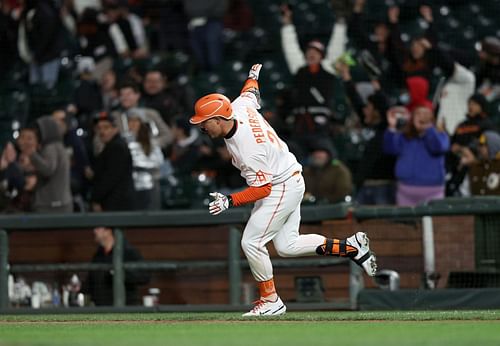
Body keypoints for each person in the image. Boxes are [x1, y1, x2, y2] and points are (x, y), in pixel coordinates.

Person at [189, 64, 377, 316]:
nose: (202, 128)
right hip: (288, 176)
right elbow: (250, 94)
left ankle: (270, 300)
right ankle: (351, 247)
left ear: (218, 119)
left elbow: (263, 189)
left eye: (204, 123)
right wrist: (252, 76)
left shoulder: (248, 147)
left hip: (280, 185)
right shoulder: (238, 107)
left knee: (252, 242)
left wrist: (230, 201)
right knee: (287, 246)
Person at [384, 101, 450, 206]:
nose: (421, 117)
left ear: (432, 116)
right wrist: (392, 127)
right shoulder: (404, 136)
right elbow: (390, 149)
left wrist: (428, 130)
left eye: (425, 114)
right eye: (418, 114)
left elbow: (438, 147)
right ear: (412, 117)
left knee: (433, 222)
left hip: (433, 192)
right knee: (404, 222)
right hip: (406, 192)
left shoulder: (440, 134)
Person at [82, 226, 150, 306]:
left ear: (108, 231)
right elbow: (90, 281)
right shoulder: (98, 255)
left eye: (98, 228)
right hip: (101, 309)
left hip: (125, 308)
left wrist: (118, 273)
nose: (94, 231)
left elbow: (144, 276)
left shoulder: (127, 251)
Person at [90, 111, 135, 211]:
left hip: (116, 203)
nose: (102, 132)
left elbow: (110, 178)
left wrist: (96, 199)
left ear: (115, 129)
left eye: (106, 127)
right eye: (99, 128)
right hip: (113, 201)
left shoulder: (117, 147)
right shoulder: (111, 146)